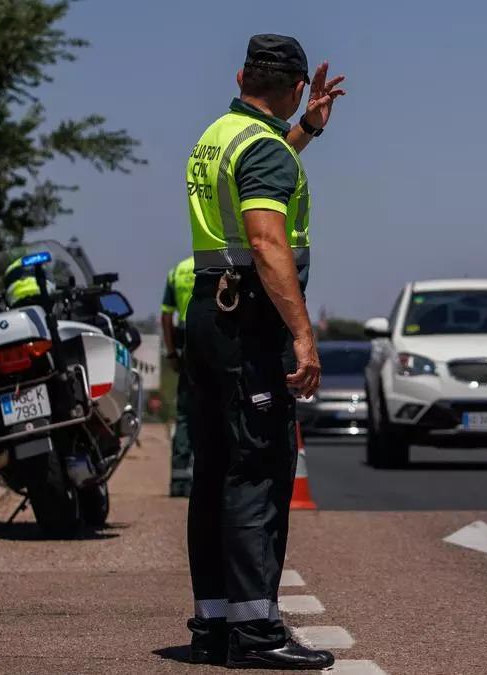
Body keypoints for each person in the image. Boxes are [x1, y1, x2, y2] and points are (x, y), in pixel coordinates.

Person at [183, 34, 345, 670]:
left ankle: (215, 626)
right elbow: (267, 241)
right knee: (257, 473)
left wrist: (306, 129)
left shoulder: (220, 134)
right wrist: (302, 335)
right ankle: (257, 635)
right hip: (250, 323)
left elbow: (254, 177)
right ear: (299, 84)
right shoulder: (264, 152)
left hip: (209, 315)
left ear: (242, 75)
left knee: (216, 473)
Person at [161, 255, 196, 497]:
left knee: (185, 413)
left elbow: (166, 316)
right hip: (211, 336)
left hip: (185, 341)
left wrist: (171, 352)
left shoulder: (177, 271)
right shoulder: (218, 263)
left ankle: (179, 479)